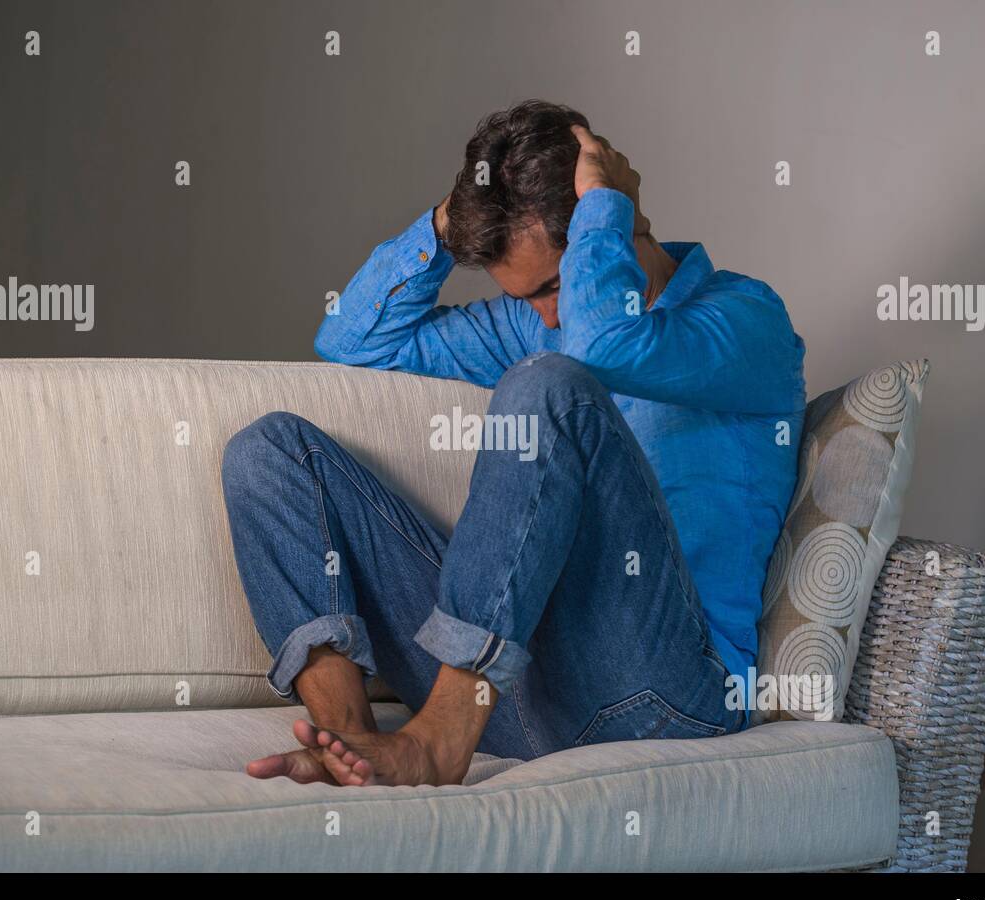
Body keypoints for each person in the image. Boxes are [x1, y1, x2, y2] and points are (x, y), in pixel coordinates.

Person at [221, 100, 805, 786]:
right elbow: (350, 341)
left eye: (554, 284)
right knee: (271, 453)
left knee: (547, 382)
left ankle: (438, 738)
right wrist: (455, 216)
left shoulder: (747, 321)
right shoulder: (538, 326)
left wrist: (604, 204)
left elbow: (598, 345)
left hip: (666, 694)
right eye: (529, 297)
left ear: (616, 223)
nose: (548, 313)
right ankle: (350, 744)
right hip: (524, 691)